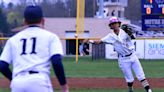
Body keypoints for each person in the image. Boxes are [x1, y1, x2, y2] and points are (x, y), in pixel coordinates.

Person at [0, 5, 69, 92]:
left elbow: (2, 65)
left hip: (18, 82)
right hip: (39, 81)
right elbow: (56, 61)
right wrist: (64, 86)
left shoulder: (13, 39)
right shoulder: (51, 37)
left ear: (24, 22)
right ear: (43, 20)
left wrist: (13, 79)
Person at [88, 16, 152, 92]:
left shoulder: (125, 31)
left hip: (133, 56)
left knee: (141, 76)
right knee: (130, 79)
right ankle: (130, 90)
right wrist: (90, 40)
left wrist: (131, 33)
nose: (114, 25)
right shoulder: (110, 36)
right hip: (123, 59)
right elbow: (99, 41)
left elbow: (133, 37)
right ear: (110, 26)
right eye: (112, 24)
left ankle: (148, 90)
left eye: (116, 23)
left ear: (119, 24)